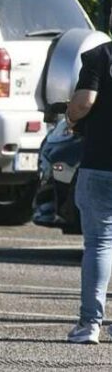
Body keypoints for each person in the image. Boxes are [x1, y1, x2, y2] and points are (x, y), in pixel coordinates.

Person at [65, 33, 112, 344]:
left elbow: (84, 103)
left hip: (100, 162)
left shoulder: (99, 57)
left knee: (99, 244)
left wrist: (70, 117)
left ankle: (89, 324)